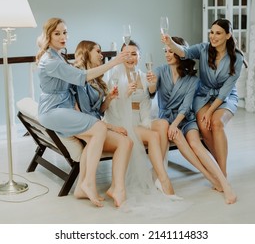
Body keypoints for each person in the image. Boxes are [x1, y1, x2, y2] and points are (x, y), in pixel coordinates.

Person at [35, 18, 129, 207]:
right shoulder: (52, 61)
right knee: (100, 128)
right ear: (48, 36)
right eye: (57, 33)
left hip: (60, 108)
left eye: (65, 32)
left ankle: (81, 188)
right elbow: (82, 77)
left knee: (95, 133)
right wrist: (116, 61)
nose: (63, 37)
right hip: (54, 110)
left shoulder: (56, 56)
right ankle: (87, 182)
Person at [148, 36, 237, 204]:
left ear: (180, 54)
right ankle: (211, 178)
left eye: (171, 51)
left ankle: (225, 184)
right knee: (177, 136)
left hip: (185, 118)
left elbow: (187, 106)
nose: (167, 54)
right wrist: (152, 84)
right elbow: (151, 91)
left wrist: (176, 123)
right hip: (167, 119)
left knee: (196, 144)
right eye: (165, 51)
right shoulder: (160, 71)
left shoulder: (192, 80)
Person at [161, 18, 244, 177]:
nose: (213, 36)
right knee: (205, 128)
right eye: (211, 32)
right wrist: (170, 43)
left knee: (216, 123)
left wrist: (210, 111)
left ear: (228, 35)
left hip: (225, 97)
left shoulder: (237, 58)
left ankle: (222, 173)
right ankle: (217, 169)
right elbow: (184, 52)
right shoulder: (203, 49)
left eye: (218, 33)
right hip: (203, 95)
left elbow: (226, 89)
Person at [103, 40, 181, 200]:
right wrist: (125, 95)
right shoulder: (115, 77)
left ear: (139, 56)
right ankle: (164, 180)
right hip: (122, 120)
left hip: (140, 120)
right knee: (153, 136)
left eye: (134, 54)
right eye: (127, 54)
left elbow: (147, 102)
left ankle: (157, 173)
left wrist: (152, 86)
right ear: (121, 56)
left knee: (163, 124)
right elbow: (111, 108)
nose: (131, 58)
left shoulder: (144, 76)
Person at [71, 40, 133, 207]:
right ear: (86, 53)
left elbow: (99, 111)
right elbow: (85, 114)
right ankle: (117, 188)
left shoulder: (97, 80)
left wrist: (109, 99)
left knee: (126, 140)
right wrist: (111, 127)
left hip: (94, 123)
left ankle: (106, 187)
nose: (101, 55)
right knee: (126, 142)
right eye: (97, 51)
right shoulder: (78, 77)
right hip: (85, 125)